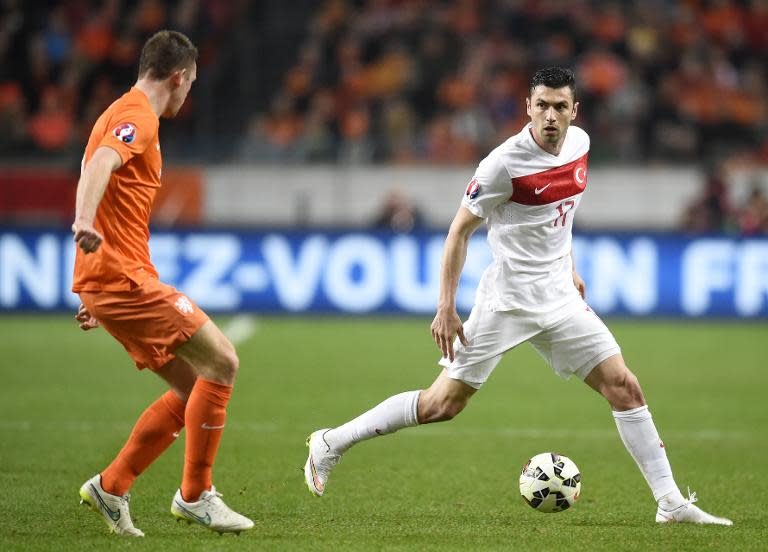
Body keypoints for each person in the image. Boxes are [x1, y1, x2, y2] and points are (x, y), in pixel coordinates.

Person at [304, 67, 732, 526]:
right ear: (528, 107)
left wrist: (569, 266)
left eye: (560, 106)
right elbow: (457, 233)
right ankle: (331, 441)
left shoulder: (581, 145)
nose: (551, 115)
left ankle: (670, 503)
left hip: (560, 298)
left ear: (575, 111)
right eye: (542, 105)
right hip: (506, 302)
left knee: (625, 388)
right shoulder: (502, 164)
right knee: (441, 405)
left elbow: (558, 217)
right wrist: (445, 307)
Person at [72, 30, 253, 537]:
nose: (189, 93)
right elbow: (101, 166)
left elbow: (96, 171)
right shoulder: (139, 117)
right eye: (190, 84)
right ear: (178, 77)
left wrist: (91, 283)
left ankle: (112, 485)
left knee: (195, 387)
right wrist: (84, 224)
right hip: (120, 278)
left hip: (110, 279)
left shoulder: (117, 110)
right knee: (222, 361)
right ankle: (196, 496)